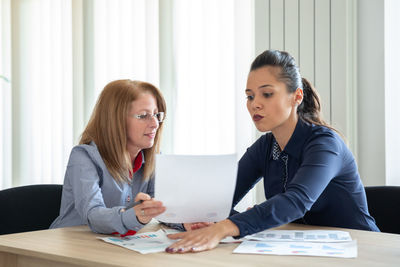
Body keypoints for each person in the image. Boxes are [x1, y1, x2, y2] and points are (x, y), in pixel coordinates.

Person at [165, 49, 379, 253]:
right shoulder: (266, 145)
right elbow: (221, 201)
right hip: (302, 252)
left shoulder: (325, 144)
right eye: (249, 96)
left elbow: (296, 201)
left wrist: (225, 226)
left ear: (296, 97)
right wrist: (195, 219)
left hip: (360, 250)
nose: (255, 104)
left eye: (266, 94)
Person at [50, 79, 170, 234]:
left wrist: (184, 222)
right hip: (70, 247)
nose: (155, 124)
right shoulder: (84, 157)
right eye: (143, 115)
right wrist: (137, 214)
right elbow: (93, 215)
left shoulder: (153, 159)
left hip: (114, 246)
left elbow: (163, 209)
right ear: (116, 120)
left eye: (156, 114)